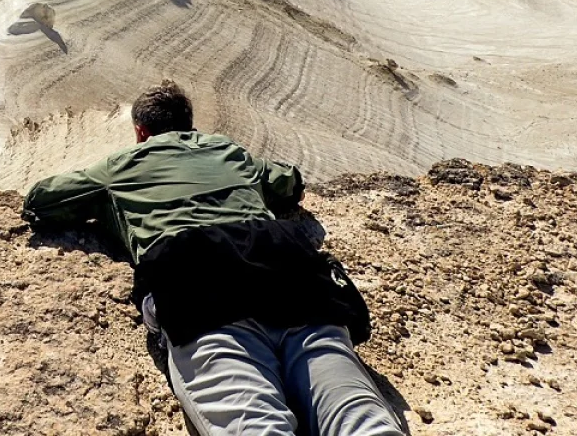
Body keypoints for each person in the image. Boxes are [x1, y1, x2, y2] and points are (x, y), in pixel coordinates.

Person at [22, 80, 404, 436]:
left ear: (140, 132)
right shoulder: (228, 151)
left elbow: (42, 200)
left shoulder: (120, 166)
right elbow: (289, 181)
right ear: (190, 126)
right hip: (293, 276)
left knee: (256, 426)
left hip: (199, 288)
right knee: (361, 420)